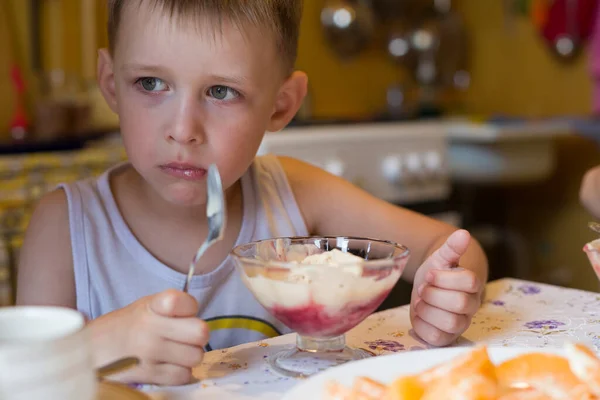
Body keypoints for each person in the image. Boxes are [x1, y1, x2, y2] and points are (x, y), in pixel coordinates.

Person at [16, 0, 488, 386]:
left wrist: (444, 296)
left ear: (280, 106)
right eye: (151, 83)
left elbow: (451, 248)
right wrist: (90, 350)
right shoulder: (65, 227)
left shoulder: (295, 192)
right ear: (110, 83)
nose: (183, 130)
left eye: (221, 92)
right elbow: (20, 382)